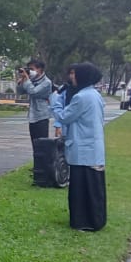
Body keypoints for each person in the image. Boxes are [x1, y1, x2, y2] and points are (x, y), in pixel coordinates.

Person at [50, 62, 107, 232]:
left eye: (75, 74)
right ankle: (96, 219)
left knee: (81, 189)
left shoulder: (81, 97)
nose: (71, 77)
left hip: (83, 149)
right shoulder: (94, 94)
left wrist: (55, 100)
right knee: (93, 188)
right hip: (92, 148)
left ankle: (83, 221)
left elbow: (64, 116)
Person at [16, 59, 53, 156]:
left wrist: (27, 80)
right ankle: (37, 166)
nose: (29, 71)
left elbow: (34, 92)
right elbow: (20, 92)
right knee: (35, 143)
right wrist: (22, 80)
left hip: (42, 116)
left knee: (42, 143)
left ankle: (44, 166)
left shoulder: (46, 82)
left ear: (39, 69)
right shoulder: (31, 80)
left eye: (31, 69)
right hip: (32, 116)